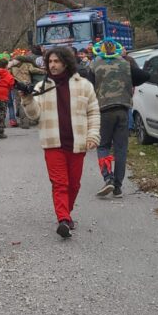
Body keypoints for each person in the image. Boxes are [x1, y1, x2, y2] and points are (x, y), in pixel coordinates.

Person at [21, 46, 100, 238]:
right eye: (50, 61)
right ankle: (63, 219)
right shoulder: (41, 87)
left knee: (74, 184)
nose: (53, 65)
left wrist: (93, 135)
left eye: (56, 61)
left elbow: (93, 112)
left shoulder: (84, 85)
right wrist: (27, 99)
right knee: (60, 183)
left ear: (66, 63)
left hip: (77, 143)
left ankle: (67, 213)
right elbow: (34, 116)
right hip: (53, 144)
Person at [91, 40, 150, 198]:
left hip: (103, 110)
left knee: (103, 146)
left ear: (100, 50)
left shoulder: (95, 64)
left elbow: (87, 84)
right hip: (123, 109)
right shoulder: (125, 64)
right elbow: (145, 76)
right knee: (121, 148)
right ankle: (117, 187)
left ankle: (108, 178)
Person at [0, 57, 15, 138]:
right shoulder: (8, 75)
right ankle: (0, 133)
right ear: (6, 65)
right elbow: (11, 85)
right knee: (1, 115)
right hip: (3, 96)